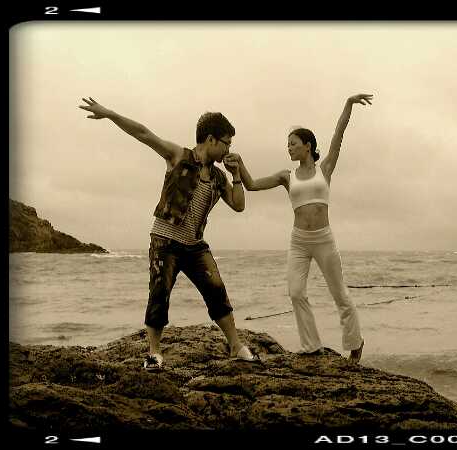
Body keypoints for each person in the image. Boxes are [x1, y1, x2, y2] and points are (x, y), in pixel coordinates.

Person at [78, 97, 258, 372]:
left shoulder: (219, 177)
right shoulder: (178, 156)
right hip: (165, 241)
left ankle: (235, 345)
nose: (228, 149)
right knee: (159, 294)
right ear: (211, 139)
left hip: (195, 245)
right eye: (226, 143)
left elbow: (238, 205)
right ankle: (154, 353)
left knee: (216, 290)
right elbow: (143, 134)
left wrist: (235, 175)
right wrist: (110, 114)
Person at [225, 93, 372, 363]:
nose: (289, 148)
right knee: (295, 292)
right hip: (299, 241)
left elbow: (339, 134)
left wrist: (348, 104)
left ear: (308, 146)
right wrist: (240, 165)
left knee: (339, 293)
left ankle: (355, 342)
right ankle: (311, 345)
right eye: (287, 145)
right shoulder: (287, 176)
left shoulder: (325, 168)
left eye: (293, 144)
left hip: (324, 239)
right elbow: (252, 185)